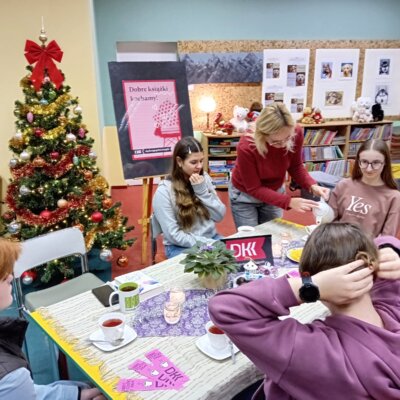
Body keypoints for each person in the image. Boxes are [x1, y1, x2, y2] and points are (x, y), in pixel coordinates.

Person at [209, 223, 400, 400]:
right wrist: (389, 250)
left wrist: (310, 286)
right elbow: (388, 240)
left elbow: (225, 308)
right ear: (373, 268)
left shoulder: (309, 349)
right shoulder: (393, 304)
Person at [0, 239, 106, 400]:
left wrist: (77, 394)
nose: (10, 278)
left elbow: (27, 394)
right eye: (2, 276)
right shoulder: (11, 377)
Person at [229, 102, 329, 229]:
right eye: (275, 142)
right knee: (251, 240)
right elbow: (254, 188)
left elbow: (295, 166)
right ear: (262, 135)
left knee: (274, 234)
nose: (282, 145)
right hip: (245, 197)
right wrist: (289, 201)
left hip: (274, 190)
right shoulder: (247, 146)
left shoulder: (296, 131)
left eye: (287, 138)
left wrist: (312, 185)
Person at [152, 137, 226, 258]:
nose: (199, 166)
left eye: (201, 161)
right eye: (194, 162)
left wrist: (202, 192)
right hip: (181, 246)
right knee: (208, 269)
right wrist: (207, 244)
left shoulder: (204, 178)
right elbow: (173, 235)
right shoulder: (164, 191)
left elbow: (219, 215)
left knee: (236, 263)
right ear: (179, 161)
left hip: (211, 239)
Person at [328, 139, 400, 237]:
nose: (369, 169)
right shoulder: (343, 185)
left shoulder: (394, 197)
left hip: (368, 249)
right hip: (338, 245)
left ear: (385, 163)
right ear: (358, 161)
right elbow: (329, 223)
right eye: (364, 162)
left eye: (376, 163)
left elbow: (387, 238)